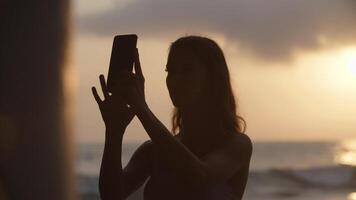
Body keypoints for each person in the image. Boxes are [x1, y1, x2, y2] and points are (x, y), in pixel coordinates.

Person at [92, 35, 253, 200]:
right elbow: (110, 196)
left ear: (212, 79)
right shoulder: (152, 150)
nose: (175, 80)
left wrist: (141, 109)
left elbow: (201, 178)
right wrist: (114, 132)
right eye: (171, 71)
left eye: (186, 70)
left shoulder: (237, 145)